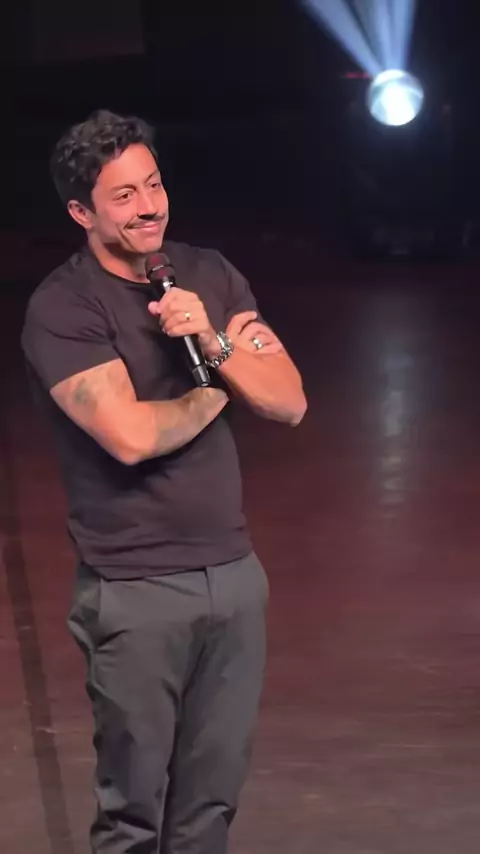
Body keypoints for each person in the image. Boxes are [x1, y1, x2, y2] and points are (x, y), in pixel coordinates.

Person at [21, 109, 307, 854]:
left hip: (233, 575)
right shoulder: (63, 307)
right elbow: (130, 437)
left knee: (210, 806)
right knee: (133, 816)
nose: (149, 206)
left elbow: (288, 401)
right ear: (81, 212)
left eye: (153, 185)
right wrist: (216, 391)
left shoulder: (208, 274)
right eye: (123, 196)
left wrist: (210, 338)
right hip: (135, 587)